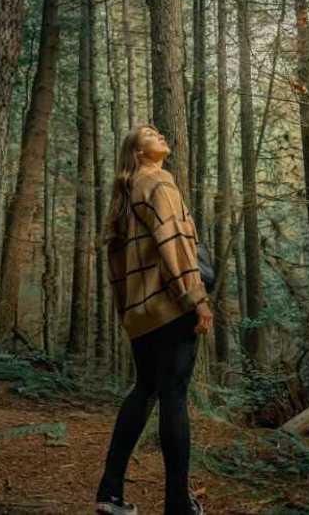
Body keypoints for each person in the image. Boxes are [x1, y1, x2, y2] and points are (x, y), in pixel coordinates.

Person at [95, 123, 214, 515]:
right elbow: (174, 243)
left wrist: (129, 314)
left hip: (141, 315)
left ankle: (109, 494)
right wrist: (196, 299)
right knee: (173, 397)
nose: (160, 134)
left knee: (144, 390)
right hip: (170, 306)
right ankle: (177, 504)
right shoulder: (158, 182)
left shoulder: (124, 197)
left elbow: (118, 269)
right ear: (137, 151)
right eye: (149, 133)